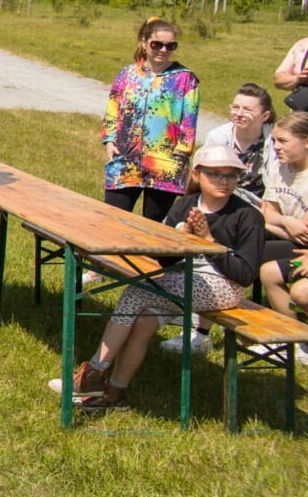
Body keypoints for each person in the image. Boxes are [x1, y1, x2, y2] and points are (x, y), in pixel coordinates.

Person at [53, 145, 264, 411]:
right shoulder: (185, 205)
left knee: (136, 292)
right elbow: (163, 261)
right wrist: (181, 239)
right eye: (215, 174)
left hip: (224, 288)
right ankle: (115, 394)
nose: (224, 181)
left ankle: (93, 373)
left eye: (231, 175)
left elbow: (245, 275)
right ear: (197, 175)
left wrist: (208, 242)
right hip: (182, 280)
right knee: (143, 322)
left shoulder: (248, 216)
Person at [165, 83, 278, 355]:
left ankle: (201, 323)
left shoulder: (274, 141)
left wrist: (271, 215)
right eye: (235, 107)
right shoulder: (218, 135)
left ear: (265, 116)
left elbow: (276, 186)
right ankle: (197, 325)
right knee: (216, 225)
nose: (239, 113)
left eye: (247, 109)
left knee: (231, 233)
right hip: (229, 206)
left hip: (263, 212)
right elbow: (208, 175)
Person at [102, 17, 199, 222]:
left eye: (170, 46)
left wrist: (181, 154)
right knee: (111, 219)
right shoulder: (127, 74)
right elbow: (113, 108)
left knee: (153, 225)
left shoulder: (185, 78)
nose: (163, 50)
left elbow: (189, 123)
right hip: (125, 159)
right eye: (157, 44)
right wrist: (109, 140)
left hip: (165, 164)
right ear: (144, 43)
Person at [258, 110, 308, 317]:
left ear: (306, 141)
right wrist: (287, 221)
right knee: (264, 267)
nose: (276, 147)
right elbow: (267, 213)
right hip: (293, 242)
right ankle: (294, 335)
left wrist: (272, 222)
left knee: (300, 292)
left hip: (301, 249)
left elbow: (304, 232)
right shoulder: (280, 168)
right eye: (273, 140)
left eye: (283, 141)